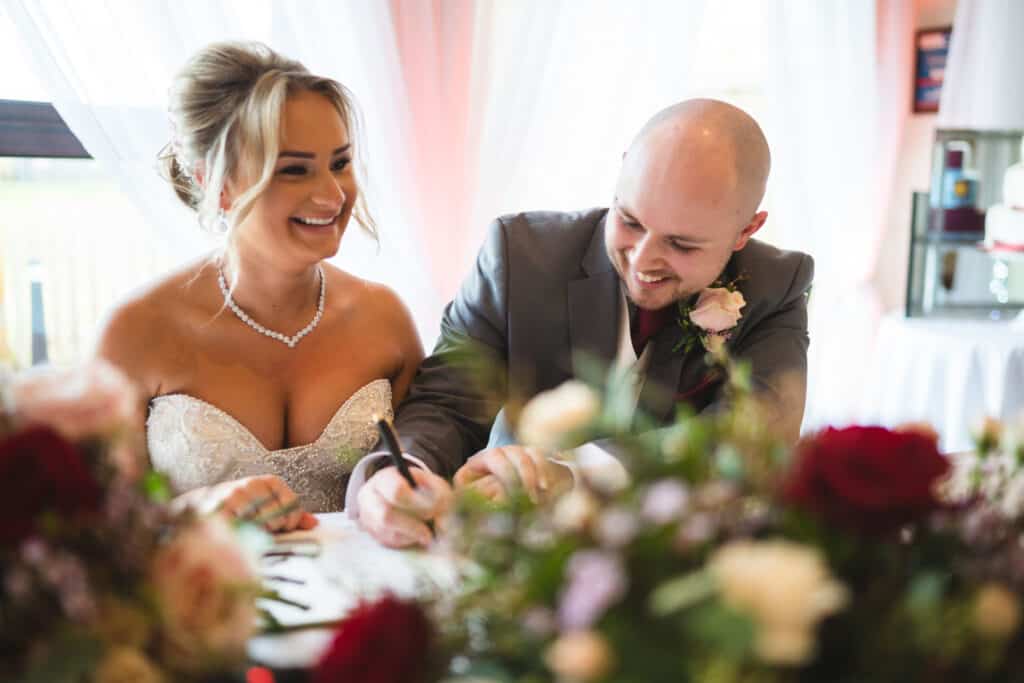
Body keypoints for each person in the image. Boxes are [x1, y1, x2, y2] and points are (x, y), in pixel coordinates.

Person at [351, 98, 814, 547]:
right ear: (622, 169)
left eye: (682, 245)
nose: (643, 259)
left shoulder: (776, 286)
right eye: (630, 220)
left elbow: (750, 438)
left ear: (746, 231)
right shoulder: (519, 256)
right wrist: (404, 470)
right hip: (517, 554)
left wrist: (575, 473)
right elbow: (446, 401)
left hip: (678, 561)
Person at [96, 42, 450, 532]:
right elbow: (90, 530)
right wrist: (188, 515)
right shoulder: (136, 331)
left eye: (340, 163)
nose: (331, 195)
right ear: (215, 183)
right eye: (293, 170)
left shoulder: (385, 318)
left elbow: (427, 458)